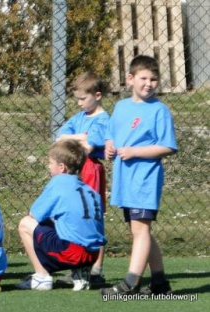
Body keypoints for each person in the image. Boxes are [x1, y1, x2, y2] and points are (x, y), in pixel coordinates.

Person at [100, 55, 177, 296]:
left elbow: (168, 146)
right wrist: (110, 146)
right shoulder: (122, 107)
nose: (149, 83)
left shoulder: (159, 110)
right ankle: (160, 283)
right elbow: (112, 135)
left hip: (145, 179)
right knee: (139, 231)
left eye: (154, 79)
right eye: (144, 78)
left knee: (141, 230)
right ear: (130, 79)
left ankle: (130, 284)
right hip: (126, 180)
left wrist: (135, 151)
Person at [16, 139, 107, 291]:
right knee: (61, 226)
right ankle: (80, 271)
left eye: (51, 163)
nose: (48, 166)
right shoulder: (90, 190)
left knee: (25, 224)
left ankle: (41, 277)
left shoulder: (59, 182)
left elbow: (34, 214)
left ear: (62, 167)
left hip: (72, 252)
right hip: (93, 254)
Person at [55, 71, 109, 287]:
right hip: (74, 171)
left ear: (97, 95)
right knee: (74, 214)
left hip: (90, 170)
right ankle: (78, 268)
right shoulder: (79, 118)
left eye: (82, 99)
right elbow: (60, 137)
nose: (78, 103)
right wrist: (81, 137)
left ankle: (96, 269)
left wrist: (78, 139)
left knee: (92, 216)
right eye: (76, 99)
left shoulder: (104, 120)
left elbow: (89, 146)